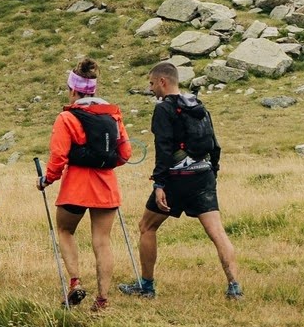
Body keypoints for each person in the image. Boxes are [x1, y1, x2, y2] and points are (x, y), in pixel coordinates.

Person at [128, 62, 246, 301]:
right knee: (217, 232)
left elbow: (163, 148)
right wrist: (213, 173)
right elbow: (214, 144)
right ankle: (234, 286)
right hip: (203, 174)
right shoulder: (197, 104)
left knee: (146, 227)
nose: (150, 88)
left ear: (163, 81)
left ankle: (147, 287)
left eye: (151, 83)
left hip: (176, 179)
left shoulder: (164, 109)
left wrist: (159, 184)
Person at [40, 60, 130, 311]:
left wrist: (47, 180)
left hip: (76, 187)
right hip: (106, 186)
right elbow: (126, 153)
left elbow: (58, 156)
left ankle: (75, 282)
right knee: (102, 241)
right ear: (94, 90)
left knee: (65, 231)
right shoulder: (113, 114)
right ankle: (102, 300)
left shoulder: (67, 117)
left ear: (73, 90)